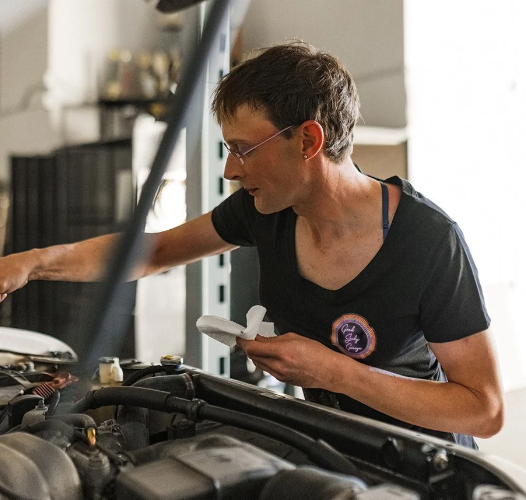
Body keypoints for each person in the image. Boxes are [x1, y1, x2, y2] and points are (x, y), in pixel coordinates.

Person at [0, 41, 503, 448]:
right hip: (333, 444)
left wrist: (338, 373)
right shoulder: (268, 212)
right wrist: (30, 264)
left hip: (426, 464)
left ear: (308, 141)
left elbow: (484, 409)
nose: (230, 170)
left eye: (243, 149)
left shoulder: (430, 242)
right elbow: (153, 252)